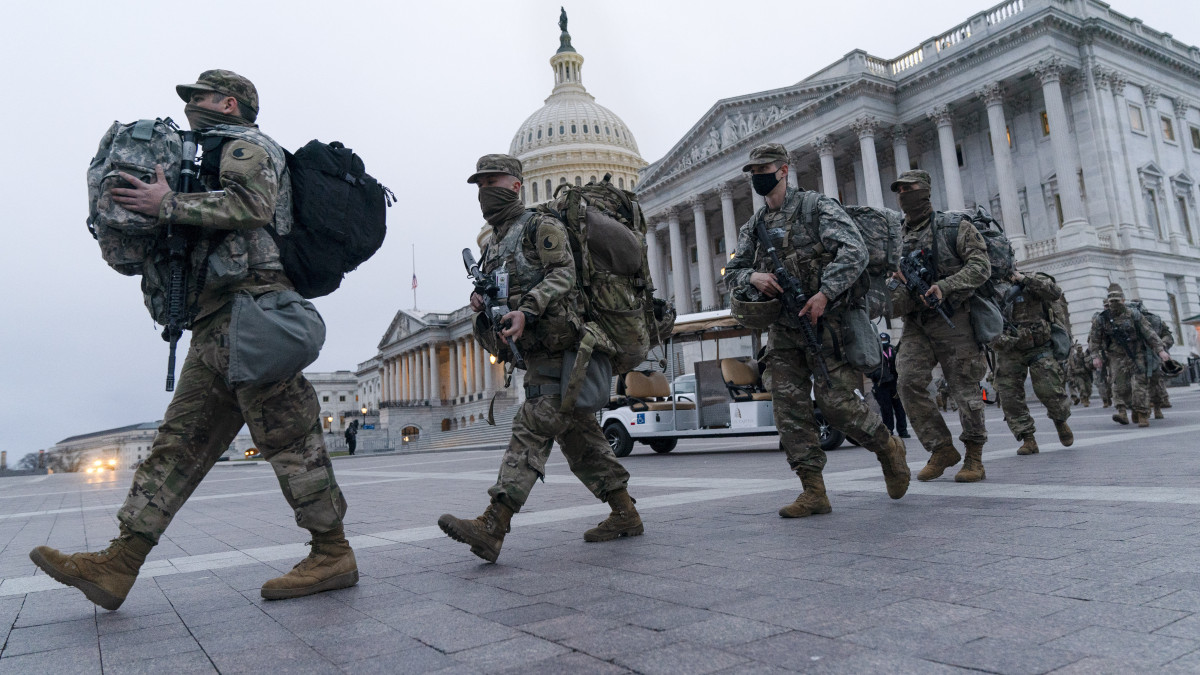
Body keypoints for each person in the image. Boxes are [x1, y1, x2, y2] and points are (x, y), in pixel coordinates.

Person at [29, 70, 356, 611]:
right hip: (220, 323)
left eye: (199, 97)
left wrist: (168, 205)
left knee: (291, 441)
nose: (189, 106)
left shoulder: (248, 146)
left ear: (230, 102)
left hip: (254, 314)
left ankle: (332, 553)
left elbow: (250, 206)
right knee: (178, 445)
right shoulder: (201, 153)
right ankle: (119, 563)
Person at [438, 154, 641, 563]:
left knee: (532, 426)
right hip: (536, 353)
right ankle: (625, 512)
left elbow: (563, 273)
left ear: (515, 184)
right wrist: (483, 302)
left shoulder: (539, 225)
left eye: (491, 181)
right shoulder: (495, 242)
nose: (483, 191)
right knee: (580, 438)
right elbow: (503, 290)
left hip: (566, 348)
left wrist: (527, 309)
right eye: (478, 185)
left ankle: (494, 524)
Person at [726, 143, 910, 518]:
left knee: (837, 406)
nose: (758, 175)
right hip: (783, 330)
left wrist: (825, 294)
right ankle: (813, 491)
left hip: (827, 325)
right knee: (789, 412)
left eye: (765, 168)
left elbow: (854, 251)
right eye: (753, 170)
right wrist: (753, 276)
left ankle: (888, 447)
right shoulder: (755, 226)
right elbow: (731, 273)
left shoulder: (817, 208)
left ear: (784, 171)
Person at [889, 170, 992, 482]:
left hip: (954, 317)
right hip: (916, 323)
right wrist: (898, 285)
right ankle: (941, 448)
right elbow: (888, 290)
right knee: (906, 382)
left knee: (964, 389)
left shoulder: (953, 226)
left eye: (911, 188)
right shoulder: (895, 237)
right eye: (900, 189)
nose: (905, 193)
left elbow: (981, 266)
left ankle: (974, 456)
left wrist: (945, 286)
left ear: (926, 190)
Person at [991, 269, 1073, 456]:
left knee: (1049, 389)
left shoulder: (1032, 278)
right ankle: (1027, 438)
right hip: (1009, 348)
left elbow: (1054, 292)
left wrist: (1024, 279)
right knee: (1009, 395)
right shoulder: (989, 287)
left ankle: (1060, 420)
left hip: (1039, 345)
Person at [1088, 284, 1170, 427]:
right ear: (1107, 303)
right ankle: (1122, 411)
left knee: (1139, 384)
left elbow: (1148, 332)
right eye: (1111, 302)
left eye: (1117, 301)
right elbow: (1095, 339)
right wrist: (1095, 356)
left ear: (1123, 301)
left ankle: (1142, 413)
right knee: (1120, 386)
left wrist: (1160, 350)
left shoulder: (1134, 314)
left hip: (1136, 354)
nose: (1114, 304)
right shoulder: (1102, 319)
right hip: (1115, 356)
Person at [1128, 299, 1175, 419]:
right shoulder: (1128, 322)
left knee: (1155, 383)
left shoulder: (1154, 319)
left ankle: (1157, 407)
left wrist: (1161, 347)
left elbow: (1168, 336)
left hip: (1154, 355)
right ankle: (1143, 410)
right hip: (1136, 356)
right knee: (1138, 385)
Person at [869, 333, 909, 438]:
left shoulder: (894, 351)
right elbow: (867, 367)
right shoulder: (874, 352)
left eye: (885, 339)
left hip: (895, 383)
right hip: (881, 384)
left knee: (900, 408)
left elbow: (901, 364)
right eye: (881, 339)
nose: (883, 341)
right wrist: (874, 375)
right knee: (886, 409)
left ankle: (903, 430)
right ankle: (889, 430)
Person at [1066, 341, 1093, 407]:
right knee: (1082, 388)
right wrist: (1070, 376)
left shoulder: (1085, 355)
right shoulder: (1073, 357)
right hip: (1078, 376)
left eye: (1080, 348)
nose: (1080, 349)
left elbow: (1090, 365)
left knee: (1089, 389)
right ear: (1076, 349)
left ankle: (1086, 398)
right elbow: (1070, 368)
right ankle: (1084, 399)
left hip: (1086, 374)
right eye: (1078, 348)